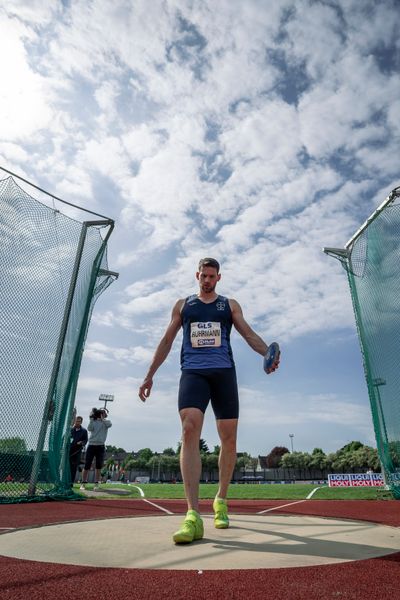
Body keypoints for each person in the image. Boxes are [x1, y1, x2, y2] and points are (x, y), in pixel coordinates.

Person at [138, 257, 280, 544]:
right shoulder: (183, 305)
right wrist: (149, 374)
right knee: (189, 428)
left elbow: (248, 333)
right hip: (193, 373)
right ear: (196, 275)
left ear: (218, 278)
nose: (207, 280)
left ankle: (221, 500)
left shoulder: (229, 305)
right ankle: (192, 514)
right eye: (203, 275)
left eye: (212, 276)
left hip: (224, 374)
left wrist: (267, 353)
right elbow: (166, 341)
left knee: (228, 439)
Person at [80, 408, 112, 491]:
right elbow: (89, 429)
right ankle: (83, 483)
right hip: (91, 445)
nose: (102, 414)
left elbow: (109, 425)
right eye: (101, 413)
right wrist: (91, 419)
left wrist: (102, 419)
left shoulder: (106, 422)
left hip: (101, 446)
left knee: (98, 466)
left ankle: (96, 484)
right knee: (87, 465)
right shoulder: (93, 422)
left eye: (103, 413)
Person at [69, 415, 88, 486]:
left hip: (77, 452)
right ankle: (64, 481)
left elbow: (85, 440)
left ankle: (71, 483)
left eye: (79, 421)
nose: (77, 422)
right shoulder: (70, 430)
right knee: (67, 467)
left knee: (73, 468)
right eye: (76, 421)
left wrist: (81, 443)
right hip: (69, 451)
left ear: (81, 422)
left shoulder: (84, 431)